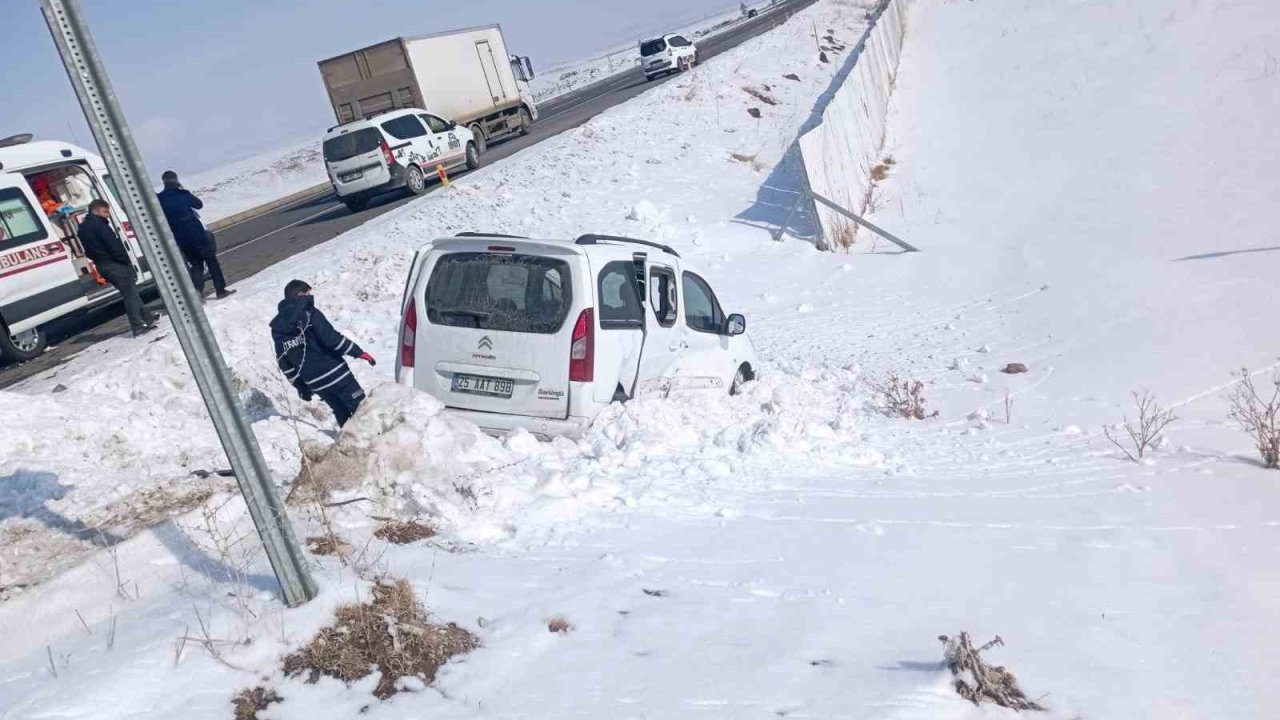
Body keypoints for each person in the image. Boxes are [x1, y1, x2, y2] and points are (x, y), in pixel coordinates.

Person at [271, 280, 375, 427]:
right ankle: (373, 441)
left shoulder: (277, 327)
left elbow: (284, 362)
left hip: (315, 382)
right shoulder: (309, 312)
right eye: (307, 293)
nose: (309, 296)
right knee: (361, 408)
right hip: (336, 374)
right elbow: (331, 339)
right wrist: (359, 352)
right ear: (299, 294)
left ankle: (350, 444)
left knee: (340, 411)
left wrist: (302, 387)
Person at [77, 199, 156, 337]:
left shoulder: (82, 228)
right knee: (130, 295)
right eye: (105, 212)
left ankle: (148, 318)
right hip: (114, 264)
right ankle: (137, 326)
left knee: (131, 292)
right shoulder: (100, 225)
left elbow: (87, 251)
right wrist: (125, 261)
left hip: (101, 265)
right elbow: (114, 246)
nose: (107, 215)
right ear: (96, 211)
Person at [157, 171, 235, 300]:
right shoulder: (182, 194)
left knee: (196, 264)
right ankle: (220, 290)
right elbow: (199, 204)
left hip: (181, 237)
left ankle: (197, 292)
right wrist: (182, 190)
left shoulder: (160, 199)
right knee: (211, 261)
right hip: (196, 233)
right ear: (176, 180)